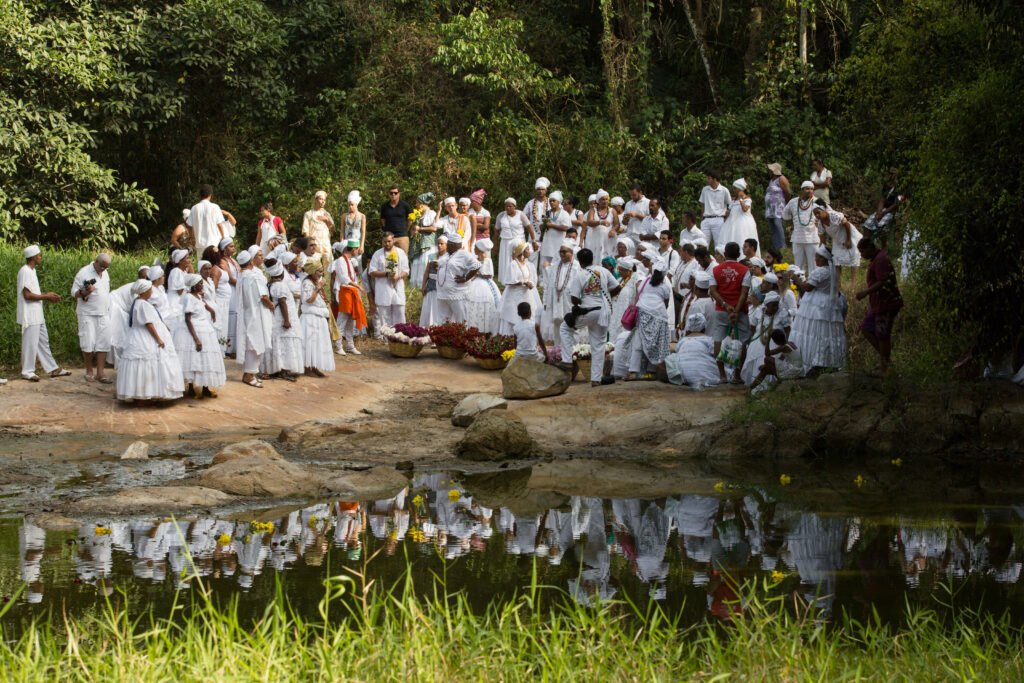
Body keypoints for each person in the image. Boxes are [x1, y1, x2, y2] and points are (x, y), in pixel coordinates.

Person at [557, 249, 622, 386]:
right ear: (593, 258)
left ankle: (567, 361)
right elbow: (617, 287)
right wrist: (605, 296)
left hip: (588, 311)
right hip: (604, 312)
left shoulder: (581, 274)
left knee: (564, 328)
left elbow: (574, 298)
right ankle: (596, 379)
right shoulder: (603, 271)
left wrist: (582, 302)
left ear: (580, 262)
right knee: (599, 345)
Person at [116, 279, 184, 402]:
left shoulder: (139, 302)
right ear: (145, 291)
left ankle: (142, 394)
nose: (151, 292)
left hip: (138, 337)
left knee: (144, 364)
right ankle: (143, 395)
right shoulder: (142, 304)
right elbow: (149, 324)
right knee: (147, 363)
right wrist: (158, 339)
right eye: (150, 290)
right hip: (144, 338)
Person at [17, 245, 71, 382]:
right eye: (39, 255)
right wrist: (47, 296)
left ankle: (52, 368)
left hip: (37, 314)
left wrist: (47, 295)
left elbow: (32, 293)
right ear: (34, 257)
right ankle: (27, 371)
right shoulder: (25, 271)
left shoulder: (32, 271)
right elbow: (27, 295)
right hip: (29, 314)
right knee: (30, 342)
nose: (41, 257)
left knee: (43, 341)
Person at [790, 246, 847, 373]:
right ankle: (827, 361)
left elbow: (807, 287)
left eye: (817, 257)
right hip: (829, 304)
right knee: (825, 332)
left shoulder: (821, 272)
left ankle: (811, 361)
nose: (815, 259)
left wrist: (795, 278)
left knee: (814, 331)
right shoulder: (833, 271)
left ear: (823, 259)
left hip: (817, 305)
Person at [173, 273, 226, 399]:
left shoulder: (198, 296)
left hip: (205, 329)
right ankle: (191, 388)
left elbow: (202, 304)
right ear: (193, 285)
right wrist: (196, 339)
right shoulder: (188, 298)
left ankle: (205, 387)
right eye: (200, 283)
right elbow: (187, 319)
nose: (202, 285)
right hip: (194, 330)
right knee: (193, 358)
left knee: (205, 359)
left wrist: (211, 310)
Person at [855, 237, 903, 374]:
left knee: (883, 336)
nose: (862, 255)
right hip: (878, 305)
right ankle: (886, 360)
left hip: (887, 303)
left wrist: (865, 292)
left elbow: (883, 281)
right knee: (866, 328)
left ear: (871, 248)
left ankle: (886, 366)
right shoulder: (876, 259)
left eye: (863, 251)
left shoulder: (881, 259)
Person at [709, 242, 752, 384]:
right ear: (739, 254)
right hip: (740, 312)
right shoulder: (745, 270)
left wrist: (726, 306)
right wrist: (736, 310)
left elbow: (713, 291)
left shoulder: (715, 270)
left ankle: (722, 376)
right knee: (742, 342)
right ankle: (736, 376)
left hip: (722, 310)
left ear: (725, 254)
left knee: (718, 340)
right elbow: (744, 292)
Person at [625, 262, 673, 381]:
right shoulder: (665, 286)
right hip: (659, 315)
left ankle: (633, 371)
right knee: (655, 343)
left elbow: (639, 295)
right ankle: (651, 372)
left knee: (639, 341)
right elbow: (666, 302)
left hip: (643, 314)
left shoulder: (645, 282)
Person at [235, 249, 274, 388]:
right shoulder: (253, 277)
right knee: (256, 342)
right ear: (250, 261)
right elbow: (263, 296)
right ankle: (249, 374)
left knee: (251, 341)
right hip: (256, 313)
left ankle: (250, 372)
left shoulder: (241, 276)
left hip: (247, 313)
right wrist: (272, 306)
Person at [71, 253, 112, 383]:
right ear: (96, 262)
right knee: (87, 342)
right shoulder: (83, 273)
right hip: (87, 313)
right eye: (102, 267)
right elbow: (74, 293)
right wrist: (86, 291)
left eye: (106, 268)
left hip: (103, 312)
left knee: (103, 343)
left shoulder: (105, 273)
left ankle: (101, 373)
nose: (103, 270)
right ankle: (89, 371)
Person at [265, 263, 304, 382]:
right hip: (283, 318)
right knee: (284, 343)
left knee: (283, 343)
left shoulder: (274, 285)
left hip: (282, 316)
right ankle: (283, 370)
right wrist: (286, 320)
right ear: (281, 274)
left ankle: (282, 369)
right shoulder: (279, 286)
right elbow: (282, 303)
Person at [740, 291, 786, 386]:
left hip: (776, 343)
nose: (775, 308)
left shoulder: (782, 313)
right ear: (766, 305)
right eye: (773, 305)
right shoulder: (759, 311)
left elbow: (788, 330)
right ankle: (753, 384)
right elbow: (752, 328)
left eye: (776, 305)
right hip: (758, 341)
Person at [110, 264, 150, 369]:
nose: (146, 279)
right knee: (118, 336)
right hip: (114, 306)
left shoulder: (144, 288)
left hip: (121, 308)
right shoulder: (139, 289)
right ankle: (119, 362)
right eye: (144, 277)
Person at [368, 232, 410, 332]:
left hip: (398, 287)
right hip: (383, 288)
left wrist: (398, 276)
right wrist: (386, 274)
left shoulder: (400, 252)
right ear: (382, 242)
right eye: (385, 242)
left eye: (389, 241)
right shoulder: (377, 254)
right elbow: (372, 272)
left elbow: (406, 270)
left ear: (393, 240)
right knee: (384, 316)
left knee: (399, 313)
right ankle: (388, 340)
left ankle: (401, 337)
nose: (387, 244)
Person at [541, 240, 582, 342]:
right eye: (560, 252)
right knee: (557, 324)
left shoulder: (577, 266)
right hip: (556, 300)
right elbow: (548, 284)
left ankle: (573, 350)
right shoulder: (555, 266)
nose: (562, 254)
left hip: (570, 301)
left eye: (564, 251)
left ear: (571, 253)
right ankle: (557, 350)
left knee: (572, 324)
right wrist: (546, 301)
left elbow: (581, 286)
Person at [813, 200, 862, 285]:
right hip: (837, 240)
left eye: (818, 212)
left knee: (853, 258)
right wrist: (820, 253)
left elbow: (847, 225)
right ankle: (839, 284)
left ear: (824, 210)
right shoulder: (820, 224)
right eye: (815, 214)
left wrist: (848, 239)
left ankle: (853, 285)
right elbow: (823, 241)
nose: (817, 215)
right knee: (836, 260)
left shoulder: (833, 215)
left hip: (849, 235)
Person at [331, 241, 367, 355]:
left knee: (351, 319)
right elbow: (344, 278)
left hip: (352, 291)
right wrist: (359, 287)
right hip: (345, 291)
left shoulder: (351, 261)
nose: (357, 251)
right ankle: (338, 345)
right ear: (352, 249)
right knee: (342, 318)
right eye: (357, 249)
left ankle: (350, 345)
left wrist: (357, 287)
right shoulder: (340, 261)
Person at [664, 313, 720, 387]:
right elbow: (715, 355)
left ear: (689, 327)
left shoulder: (682, 341)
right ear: (704, 327)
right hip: (708, 378)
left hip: (684, 378)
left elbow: (677, 351)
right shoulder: (709, 340)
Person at [499, 241, 542, 335]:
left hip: (526, 294)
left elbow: (530, 278)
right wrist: (525, 283)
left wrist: (529, 283)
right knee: (514, 315)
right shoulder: (513, 264)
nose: (529, 251)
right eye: (527, 249)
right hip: (515, 295)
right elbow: (510, 281)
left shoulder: (527, 264)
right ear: (522, 251)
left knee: (528, 314)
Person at [300, 262, 335, 377]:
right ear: (312, 272)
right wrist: (318, 288)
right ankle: (307, 367)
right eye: (319, 271)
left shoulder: (315, 282)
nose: (321, 274)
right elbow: (308, 300)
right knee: (310, 342)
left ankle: (314, 366)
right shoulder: (306, 283)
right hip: (310, 317)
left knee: (317, 342)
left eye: (321, 271)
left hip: (318, 316)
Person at [435, 233, 480, 323]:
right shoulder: (447, 255)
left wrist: (466, 278)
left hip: (456, 294)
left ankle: (464, 336)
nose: (448, 245)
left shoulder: (463, 254)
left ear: (455, 245)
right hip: (442, 294)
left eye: (450, 243)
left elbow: (477, 265)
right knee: (442, 321)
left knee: (462, 321)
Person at [782, 180, 819, 274]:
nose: (810, 191)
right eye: (807, 189)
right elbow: (785, 215)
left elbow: (828, 213)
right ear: (802, 190)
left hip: (812, 238)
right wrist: (794, 219)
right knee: (798, 265)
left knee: (814, 264)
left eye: (811, 189)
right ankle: (799, 285)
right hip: (797, 237)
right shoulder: (793, 202)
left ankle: (813, 285)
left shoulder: (818, 201)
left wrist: (820, 221)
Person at [495, 197, 535, 283]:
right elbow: (497, 230)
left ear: (514, 206)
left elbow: (529, 227)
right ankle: (506, 279)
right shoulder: (501, 215)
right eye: (506, 206)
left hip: (519, 241)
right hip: (505, 241)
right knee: (506, 260)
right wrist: (496, 244)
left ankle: (521, 277)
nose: (508, 208)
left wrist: (533, 240)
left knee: (519, 259)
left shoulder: (521, 214)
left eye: (510, 206)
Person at [465, 238, 500, 334]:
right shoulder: (475, 259)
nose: (474, 249)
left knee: (485, 301)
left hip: (485, 284)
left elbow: (489, 275)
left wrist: (478, 274)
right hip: (474, 282)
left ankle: (486, 328)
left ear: (480, 249)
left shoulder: (487, 260)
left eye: (475, 247)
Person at [187, 185, 236, 252]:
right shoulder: (215, 207)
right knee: (213, 262)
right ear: (210, 195)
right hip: (213, 244)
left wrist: (192, 239)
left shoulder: (194, 208)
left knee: (202, 262)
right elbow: (220, 225)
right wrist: (223, 239)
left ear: (200, 195)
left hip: (200, 244)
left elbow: (189, 226)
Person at [718, 179, 760, 258]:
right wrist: (726, 213)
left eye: (735, 188)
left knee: (741, 238)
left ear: (740, 189)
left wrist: (741, 199)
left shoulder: (747, 199)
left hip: (743, 224)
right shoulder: (733, 200)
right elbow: (729, 212)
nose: (733, 190)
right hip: (731, 223)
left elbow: (745, 209)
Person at [409, 192, 438, 288]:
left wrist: (420, 229)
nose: (416, 205)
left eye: (417, 203)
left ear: (422, 204)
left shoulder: (431, 213)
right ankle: (416, 286)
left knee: (425, 262)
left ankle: (424, 284)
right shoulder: (418, 215)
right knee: (417, 262)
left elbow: (434, 228)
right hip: (418, 243)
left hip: (427, 244)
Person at [217, 238, 241, 355]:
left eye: (233, 246)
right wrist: (242, 285)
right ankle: (228, 347)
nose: (233, 248)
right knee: (230, 317)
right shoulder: (222, 261)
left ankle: (235, 347)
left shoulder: (234, 261)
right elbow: (231, 278)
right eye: (231, 246)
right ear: (224, 249)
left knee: (237, 316)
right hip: (231, 290)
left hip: (237, 290)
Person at [582, 189, 618, 264]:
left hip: (608, 239)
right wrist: (600, 222)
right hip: (595, 238)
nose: (605, 201)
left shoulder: (612, 210)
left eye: (606, 199)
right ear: (598, 200)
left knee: (608, 257)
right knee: (595, 257)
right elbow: (589, 222)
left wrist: (613, 230)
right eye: (602, 199)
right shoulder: (593, 210)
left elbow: (617, 224)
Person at [419, 235, 447, 327]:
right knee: (428, 307)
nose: (439, 245)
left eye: (442, 243)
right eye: (438, 243)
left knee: (438, 309)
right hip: (430, 286)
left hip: (441, 287)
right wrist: (423, 286)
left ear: (446, 245)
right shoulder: (432, 256)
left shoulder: (448, 257)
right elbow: (426, 272)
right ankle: (426, 327)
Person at [698, 172, 731, 248]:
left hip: (719, 219)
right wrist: (702, 217)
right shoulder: (705, 189)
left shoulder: (724, 190)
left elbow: (730, 204)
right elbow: (702, 204)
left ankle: (720, 260)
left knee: (719, 244)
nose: (707, 180)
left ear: (715, 179)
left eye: (709, 178)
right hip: (706, 219)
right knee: (703, 243)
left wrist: (726, 218)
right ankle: (702, 259)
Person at [523, 177, 551, 267]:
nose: (540, 191)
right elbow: (523, 217)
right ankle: (531, 279)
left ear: (546, 190)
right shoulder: (530, 203)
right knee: (531, 259)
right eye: (538, 189)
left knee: (545, 260)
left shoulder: (552, 202)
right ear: (536, 190)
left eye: (542, 189)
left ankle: (543, 280)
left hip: (547, 234)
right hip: (533, 235)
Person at [302, 191, 335, 266]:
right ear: (316, 200)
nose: (323, 201)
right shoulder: (308, 214)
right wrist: (309, 245)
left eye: (324, 200)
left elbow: (332, 229)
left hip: (326, 244)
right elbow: (305, 231)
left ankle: (328, 278)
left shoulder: (326, 214)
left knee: (329, 265)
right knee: (314, 266)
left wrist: (326, 220)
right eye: (321, 199)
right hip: (314, 244)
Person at [379, 185, 414, 254]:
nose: (393, 195)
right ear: (389, 194)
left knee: (403, 258)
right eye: (391, 193)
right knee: (386, 258)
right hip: (388, 238)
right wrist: (386, 230)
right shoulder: (384, 206)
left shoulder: (405, 205)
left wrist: (406, 229)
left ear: (399, 193)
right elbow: (382, 219)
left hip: (402, 237)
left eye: (395, 193)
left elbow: (410, 219)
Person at [764, 163, 791, 251]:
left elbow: (787, 192)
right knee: (773, 225)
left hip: (778, 206)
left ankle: (782, 246)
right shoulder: (771, 180)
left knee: (777, 223)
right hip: (770, 207)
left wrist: (787, 203)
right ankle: (776, 246)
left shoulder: (781, 178)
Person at [343, 190, 367, 271]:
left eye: (352, 205)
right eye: (349, 205)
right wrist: (341, 243)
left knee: (358, 263)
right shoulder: (344, 216)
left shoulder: (362, 216)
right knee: (347, 263)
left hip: (357, 243)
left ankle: (359, 280)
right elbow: (342, 231)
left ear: (356, 204)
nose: (350, 206)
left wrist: (362, 245)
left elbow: (363, 232)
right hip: (347, 242)